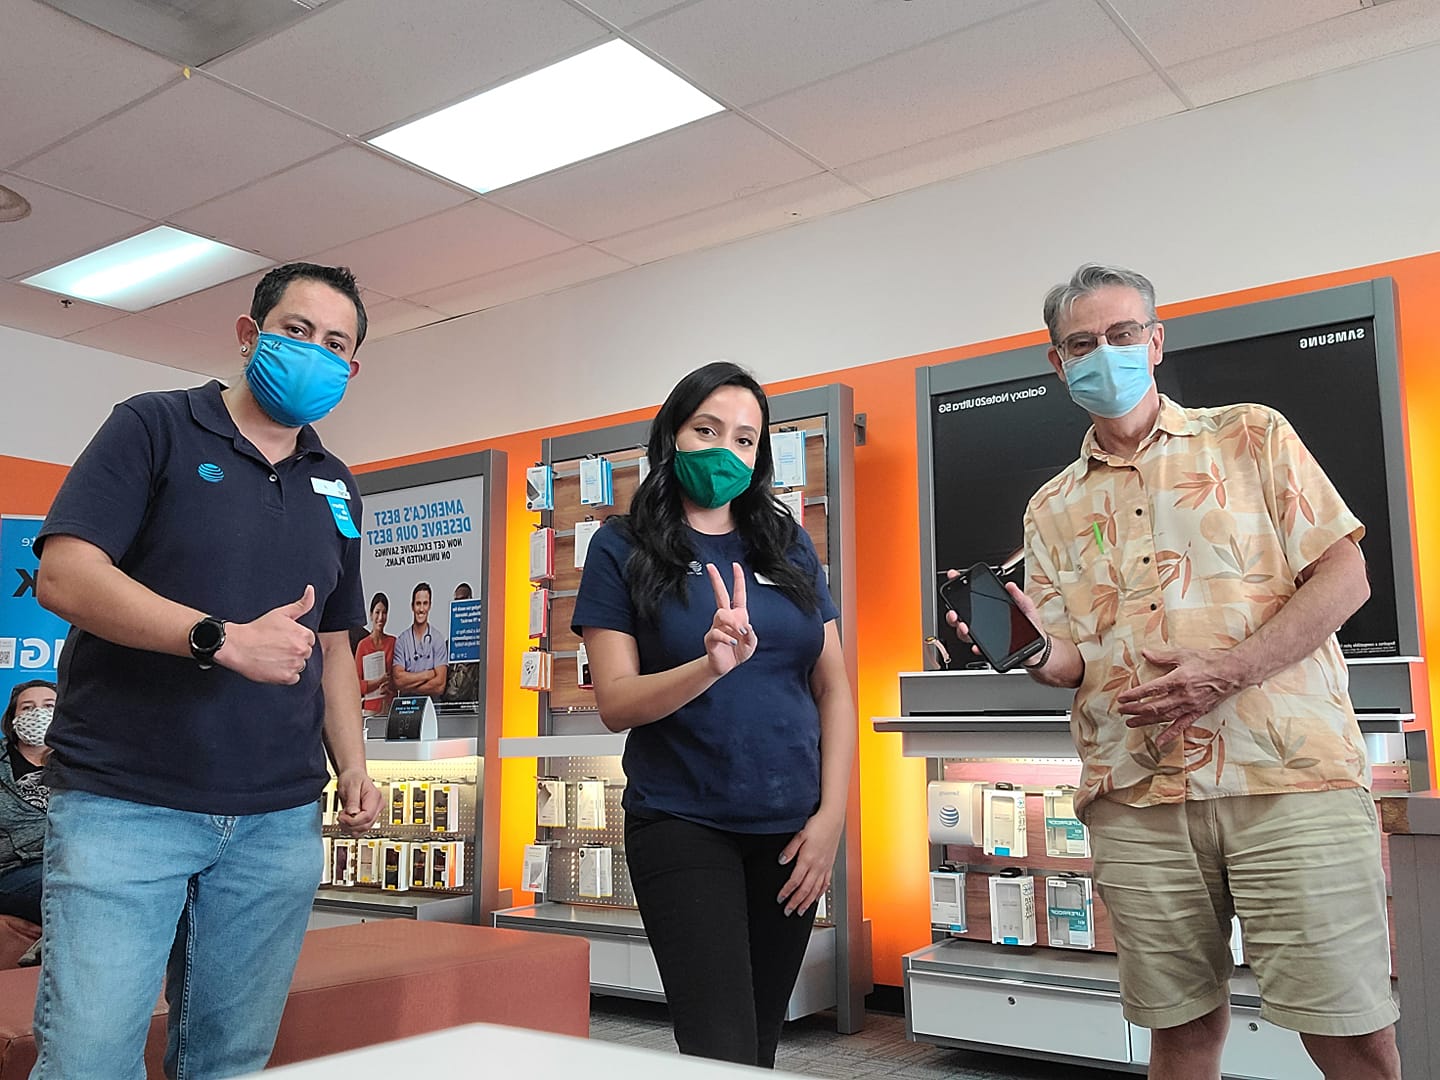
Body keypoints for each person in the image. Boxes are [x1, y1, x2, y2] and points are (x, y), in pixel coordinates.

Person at [952, 264, 1399, 1080]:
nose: (1104, 353)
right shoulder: (1050, 507)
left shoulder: (1252, 435)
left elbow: (1347, 578)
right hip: (1138, 798)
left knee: (1352, 1033)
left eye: (1122, 334)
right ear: (1058, 363)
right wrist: (1028, 650)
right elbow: (1071, 662)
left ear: (1155, 342)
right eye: (1082, 343)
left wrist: (1228, 670)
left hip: (1287, 780)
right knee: (1181, 1034)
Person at [32, 262, 383, 1079]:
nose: (316, 352)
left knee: (229, 1062)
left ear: (352, 368)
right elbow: (65, 575)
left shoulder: (335, 483)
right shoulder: (153, 426)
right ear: (249, 334)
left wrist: (355, 766)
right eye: (298, 330)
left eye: (336, 343)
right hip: (125, 802)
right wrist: (217, 639)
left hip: (276, 819)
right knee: (88, 1062)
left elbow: (335, 644)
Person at [572, 361, 856, 1068]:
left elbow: (835, 689)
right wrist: (709, 666)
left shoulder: (787, 544)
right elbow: (615, 703)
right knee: (718, 1050)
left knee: (758, 1047)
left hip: (791, 829)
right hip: (683, 823)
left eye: (745, 438)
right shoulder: (621, 546)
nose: (726, 450)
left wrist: (830, 821)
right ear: (672, 434)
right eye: (707, 429)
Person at [0, 680, 57, 924]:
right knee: (69, 892)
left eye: (49, 706)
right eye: (27, 707)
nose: (38, 713)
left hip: (74, 862)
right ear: (13, 718)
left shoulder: (84, 762)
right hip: (15, 869)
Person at [392, 582, 447, 698]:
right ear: (412, 606)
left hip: (432, 704)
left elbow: (439, 686)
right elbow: (398, 681)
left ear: (430, 606)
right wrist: (428, 674)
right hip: (407, 706)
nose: (421, 609)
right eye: (418, 604)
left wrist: (409, 687)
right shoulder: (402, 641)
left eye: (425, 603)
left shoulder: (438, 639)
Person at [355, 591, 396, 717]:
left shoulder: (393, 642)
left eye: (384, 613)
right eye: (377, 612)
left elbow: (398, 677)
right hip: (370, 709)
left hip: (389, 706)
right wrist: (379, 681)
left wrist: (389, 685)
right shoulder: (363, 645)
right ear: (371, 615)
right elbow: (357, 684)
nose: (381, 617)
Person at [442, 582, 479, 703]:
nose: (459, 605)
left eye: (462, 600)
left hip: (471, 705)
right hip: (449, 706)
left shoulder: (478, 644)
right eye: (456, 601)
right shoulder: (448, 645)